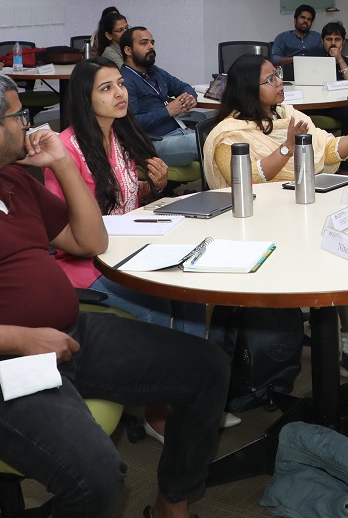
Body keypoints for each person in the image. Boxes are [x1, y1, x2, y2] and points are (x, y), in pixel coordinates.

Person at [0, 70, 227, 518]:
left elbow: (90, 241)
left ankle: (173, 505)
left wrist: (61, 164)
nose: (31, 125)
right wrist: (21, 339)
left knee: (206, 366)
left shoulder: (14, 182)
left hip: (64, 335)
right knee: (97, 476)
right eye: (21, 116)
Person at [46, 59, 236, 440]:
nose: (120, 93)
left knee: (191, 295)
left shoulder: (120, 134)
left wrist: (158, 185)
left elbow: (130, 200)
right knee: (158, 304)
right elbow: (59, 227)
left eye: (120, 84)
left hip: (133, 248)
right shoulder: (65, 150)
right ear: (85, 98)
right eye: (106, 88)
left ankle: (189, 395)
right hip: (88, 262)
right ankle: (157, 406)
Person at [199, 54, 348, 376]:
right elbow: (247, 178)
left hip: (300, 211)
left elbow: (327, 149)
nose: (279, 82)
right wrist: (288, 146)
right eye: (270, 79)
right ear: (250, 89)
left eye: (277, 74)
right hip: (256, 226)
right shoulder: (229, 135)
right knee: (338, 249)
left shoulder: (286, 115)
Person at [119, 27, 200, 166]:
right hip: (153, 142)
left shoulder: (154, 71)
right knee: (200, 141)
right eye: (144, 43)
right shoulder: (124, 80)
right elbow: (132, 122)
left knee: (216, 134)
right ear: (128, 50)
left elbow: (183, 86)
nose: (151, 47)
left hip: (179, 131)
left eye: (152, 42)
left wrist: (191, 97)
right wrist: (167, 111)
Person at [270, 4, 322, 74]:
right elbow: (274, 59)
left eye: (309, 19)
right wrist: (295, 59)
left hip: (314, 72)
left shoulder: (318, 37)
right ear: (295, 20)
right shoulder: (283, 37)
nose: (306, 21)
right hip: (290, 73)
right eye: (303, 17)